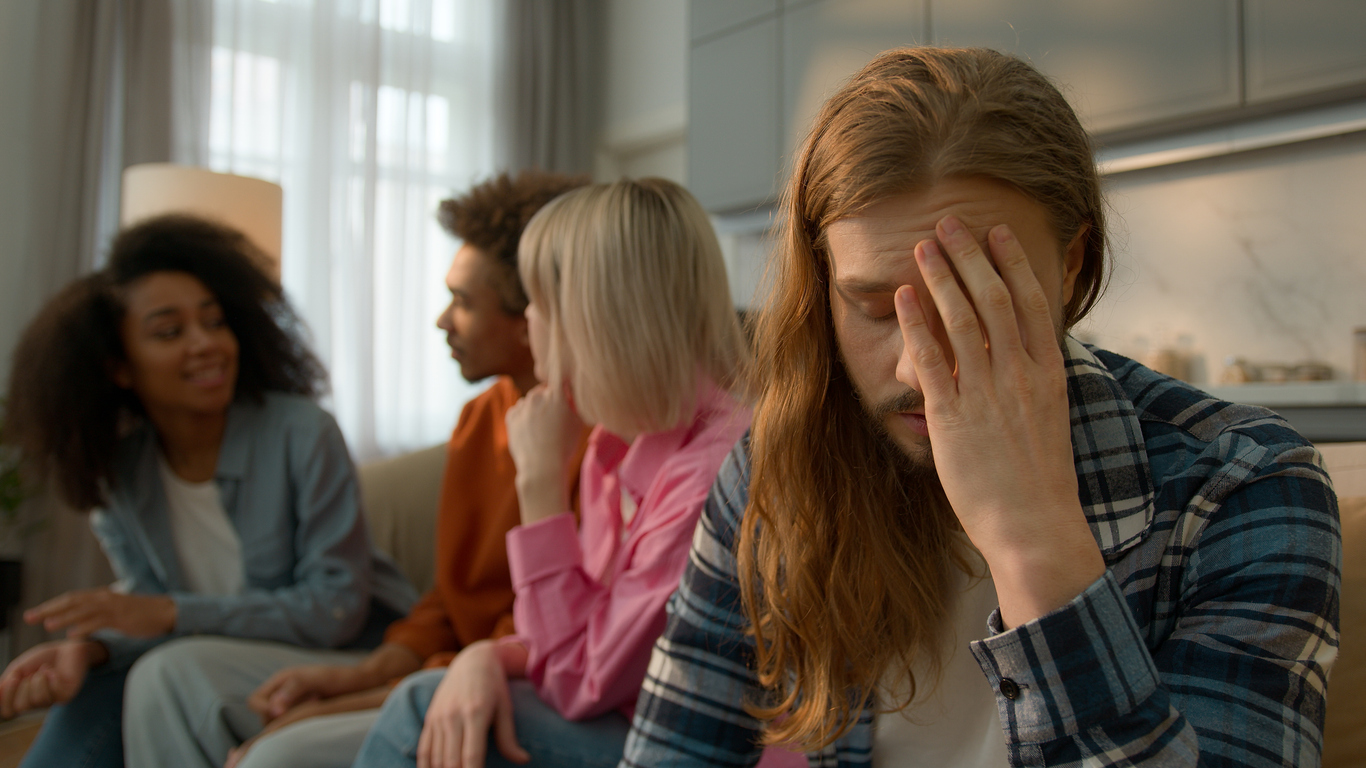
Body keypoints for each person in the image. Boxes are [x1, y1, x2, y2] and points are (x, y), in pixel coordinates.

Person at [620, 47, 1341, 768]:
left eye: (973, 303)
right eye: (873, 310)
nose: (918, 368)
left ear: (1070, 266)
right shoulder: (770, 472)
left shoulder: (1243, 485)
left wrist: (1033, 542)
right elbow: (672, 746)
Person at [352, 177, 752, 768]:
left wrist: (539, 486)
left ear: (589, 320)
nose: (527, 321)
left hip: (701, 747)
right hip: (621, 713)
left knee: (418, 711)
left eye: (536, 303)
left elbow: (578, 679)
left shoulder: (712, 476)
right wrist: (485, 657)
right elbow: (579, 636)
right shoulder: (612, 445)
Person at [0, 214, 417, 768]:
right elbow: (150, 615)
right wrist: (92, 646)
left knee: (165, 672)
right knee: (97, 686)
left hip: (351, 655)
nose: (206, 345)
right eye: (169, 332)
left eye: (215, 322)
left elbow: (333, 610)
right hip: (209, 658)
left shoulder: (302, 433)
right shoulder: (122, 475)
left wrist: (167, 614)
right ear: (120, 368)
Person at [210, 169, 590, 768]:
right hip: (439, 672)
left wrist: (359, 700)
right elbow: (448, 598)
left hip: (508, 682)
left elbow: (539, 628)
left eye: (464, 302)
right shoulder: (477, 419)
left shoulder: (593, 435)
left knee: (275, 756)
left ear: (529, 318)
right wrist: (364, 674)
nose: (443, 321)